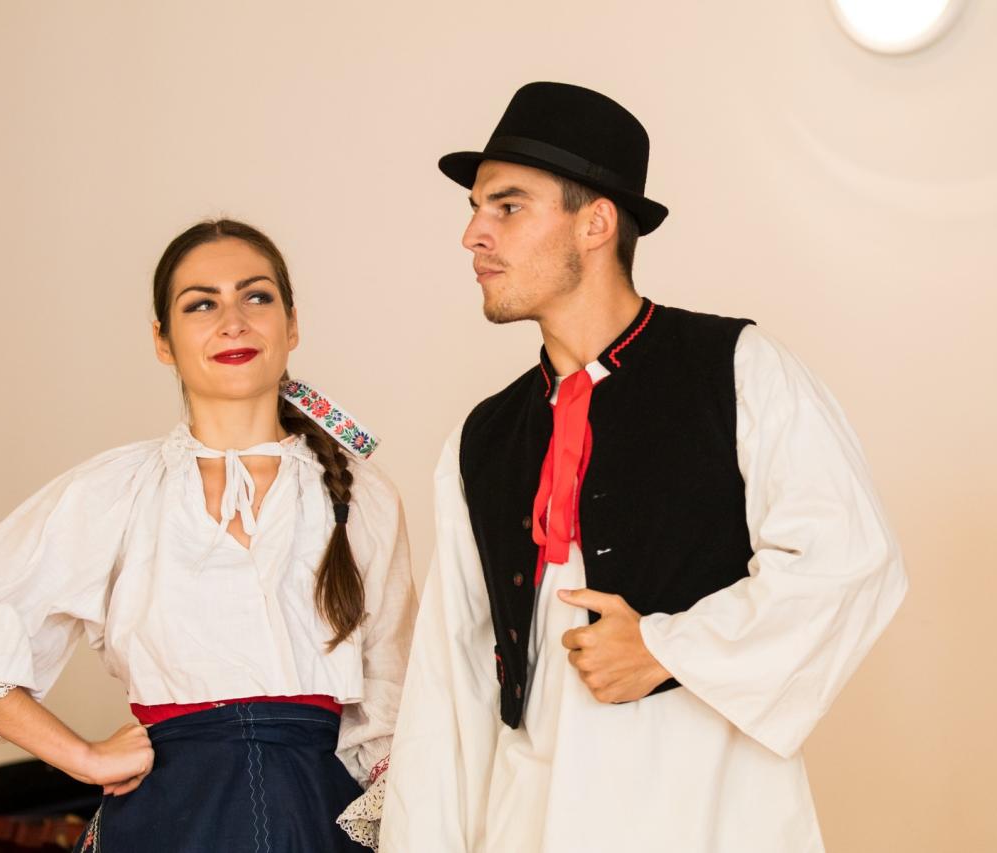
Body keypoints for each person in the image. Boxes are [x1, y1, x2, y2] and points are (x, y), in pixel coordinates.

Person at [380, 82, 908, 852]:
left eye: (507, 206)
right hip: (526, 821)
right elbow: (449, 681)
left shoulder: (737, 369)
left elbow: (851, 559)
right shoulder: (481, 439)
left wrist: (667, 647)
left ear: (595, 222)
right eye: (475, 208)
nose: (473, 235)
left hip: (706, 812)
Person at [0, 219, 415, 852]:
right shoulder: (116, 490)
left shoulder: (362, 495)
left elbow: (391, 703)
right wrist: (81, 757)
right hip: (167, 820)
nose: (233, 322)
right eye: (201, 304)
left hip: (319, 818)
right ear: (163, 341)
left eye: (256, 296)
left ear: (291, 325)